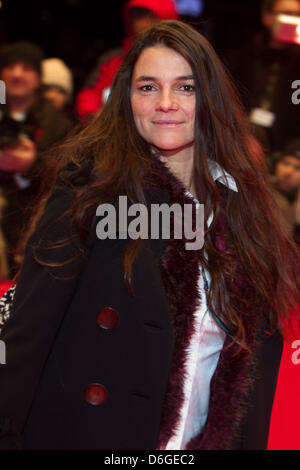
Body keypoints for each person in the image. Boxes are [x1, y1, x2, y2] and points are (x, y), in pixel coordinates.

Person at [0, 20, 299, 451]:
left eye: (185, 87)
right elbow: (27, 333)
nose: (165, 103)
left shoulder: (246, 209)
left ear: (209, 98)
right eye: (147, 87)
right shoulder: (90, 191)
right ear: (127, 99)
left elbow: (253, 366)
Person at [0, 41, 74, 278]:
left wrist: (32, 165)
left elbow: (73, 176)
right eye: (10, 67)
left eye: (26, 68)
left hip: (38, 220)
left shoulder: (57, 125)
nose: (17, 74)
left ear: (39, 78)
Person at [76, 0, 178, 120]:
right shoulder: (112, 60)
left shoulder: (180, 62)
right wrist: (94, 116)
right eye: (138, 17)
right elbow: (88, 96)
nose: (144, 24)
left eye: (152, 17)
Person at [225, 0, 300, 154]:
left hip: (285, 150)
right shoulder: (244, 57)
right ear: (268, 17)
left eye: (297, 15)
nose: (293, 20)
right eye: (287, 14)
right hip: (241, 141)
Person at [270, 138, 300, 244]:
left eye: (298, 168)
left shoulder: (295, 203)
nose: (288, 172)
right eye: (286, 163)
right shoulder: (263, 192)